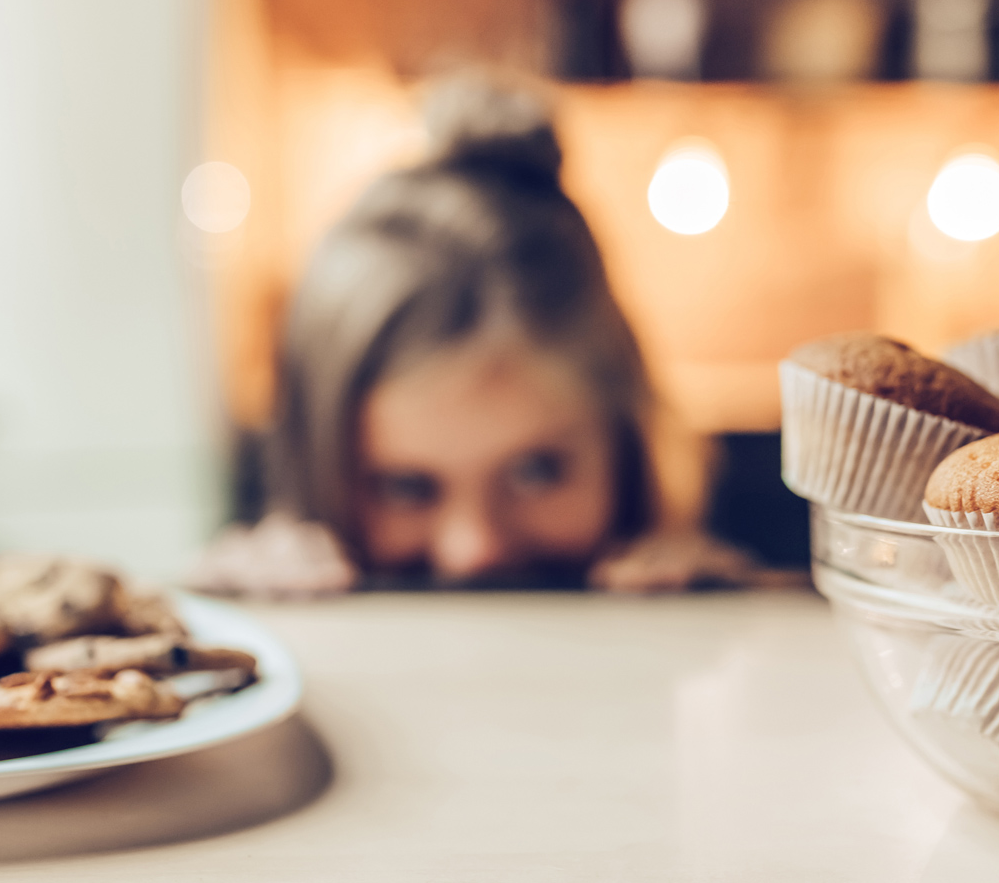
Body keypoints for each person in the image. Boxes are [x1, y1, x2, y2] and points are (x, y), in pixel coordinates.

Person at [191, 78, 785, 596]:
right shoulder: (249, 629)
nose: (474, 552)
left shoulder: (712, 624)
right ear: (315, 461)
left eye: (537, 472)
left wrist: (721, 630)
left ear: (627, 446)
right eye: (406, 487)